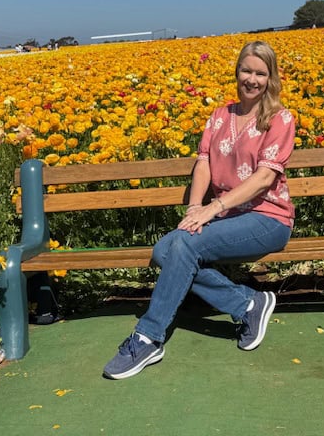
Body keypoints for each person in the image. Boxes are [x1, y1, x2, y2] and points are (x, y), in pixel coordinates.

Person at [103, 40, 296, 380]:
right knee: (165, 249)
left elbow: (265, 177)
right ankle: (247, 304)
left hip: (268, 217)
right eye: (246, 70)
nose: (252, 79)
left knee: (184, 245)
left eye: (260, 73)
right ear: (237, 72)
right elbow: (204, 162)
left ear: (271, 78)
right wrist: (195, 207)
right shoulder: (220, 115)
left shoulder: (279, 119)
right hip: (225, 217)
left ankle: (148, 336)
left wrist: (214, 207)